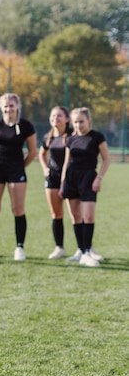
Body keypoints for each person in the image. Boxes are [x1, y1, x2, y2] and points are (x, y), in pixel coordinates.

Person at [0, 93, 37, 260]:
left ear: (17, 107)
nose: (9, 109)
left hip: (16, 172)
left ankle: (19, 248)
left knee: (18, 209)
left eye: (12, 105)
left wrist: (20, 167)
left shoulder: (26, 125)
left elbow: (33, 152)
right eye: (6, 106)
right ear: (1, 107)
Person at [60, 107, 110, 267]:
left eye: (81, 121)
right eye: (75, 122)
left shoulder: (97, 137)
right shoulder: (70, 139)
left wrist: (99, 178)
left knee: (88, 216)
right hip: (71, 179)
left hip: (88, 178)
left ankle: (88, 251)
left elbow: (106, 159)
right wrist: (62, 183)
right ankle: (80, 250)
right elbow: (66, 163)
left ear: (89, 121)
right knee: (75, 217)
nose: (78, 125)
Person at [39, 106, 72, 259]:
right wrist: (45, 168)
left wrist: (64, 181)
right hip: (52, 178)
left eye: (59, 116)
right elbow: (41, 154)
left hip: (70, 178)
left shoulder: (71, 135)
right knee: (56, 214)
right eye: (53, 116)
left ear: (67, 119)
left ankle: (85, 247)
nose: (55, 118)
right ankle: (59, 247)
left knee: (75, 215)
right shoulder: (49, 136)